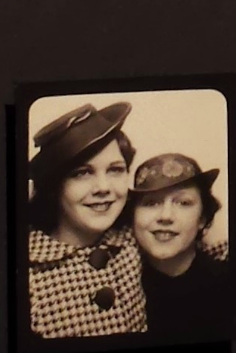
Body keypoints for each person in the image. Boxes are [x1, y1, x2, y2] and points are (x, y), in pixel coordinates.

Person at [21, 101, 147, 340]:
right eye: (82, 173)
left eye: (115, 170)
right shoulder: (28, 275)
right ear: (54, 187)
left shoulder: (132, 239)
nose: (103, 187)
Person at [128, 150, 236, 343]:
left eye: (183, 203)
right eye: (151, 203)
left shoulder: (231, 284)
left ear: (202, 219)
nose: (166, 216)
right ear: (133, 217)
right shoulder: (121, 289)